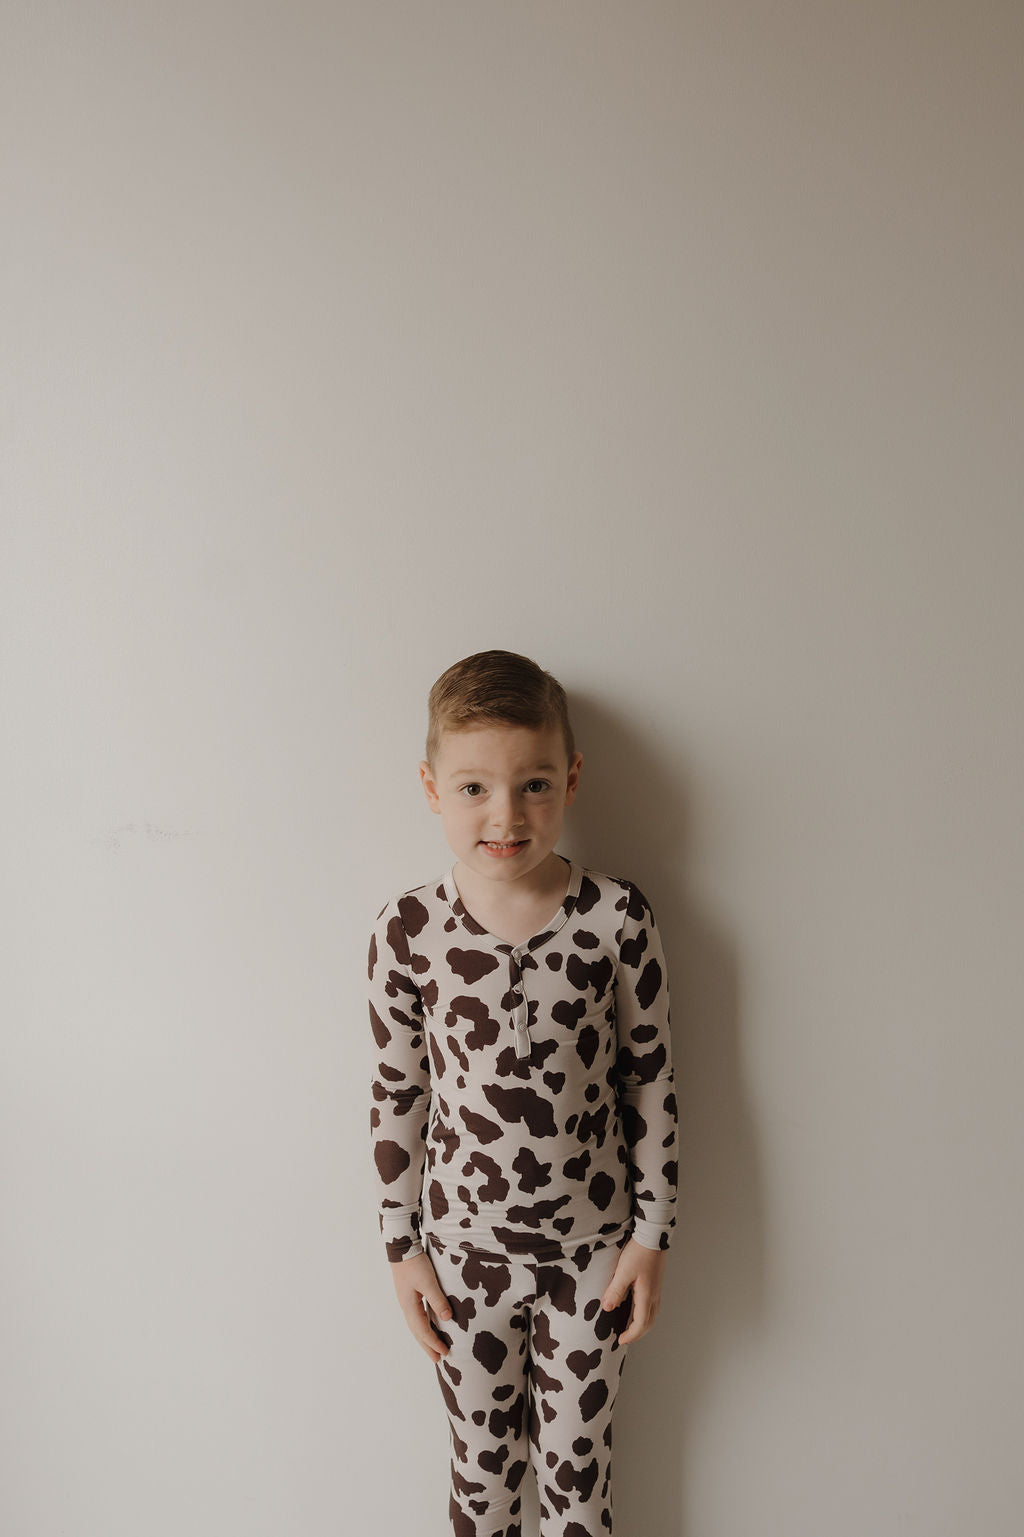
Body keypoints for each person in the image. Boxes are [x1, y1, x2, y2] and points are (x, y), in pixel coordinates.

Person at [368, 649, 678, 1537]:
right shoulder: (410, 930)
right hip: (463, 1265)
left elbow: (651, 1082)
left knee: (578, 1488)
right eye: (474, 788)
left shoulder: (617, 918)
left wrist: (652, 1236)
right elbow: (398, 1094)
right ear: (432, 788)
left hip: (593, 1261)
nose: (504, 815)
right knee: (481, 1483)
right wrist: (403, 1248)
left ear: (571, 778)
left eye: (533, 784)